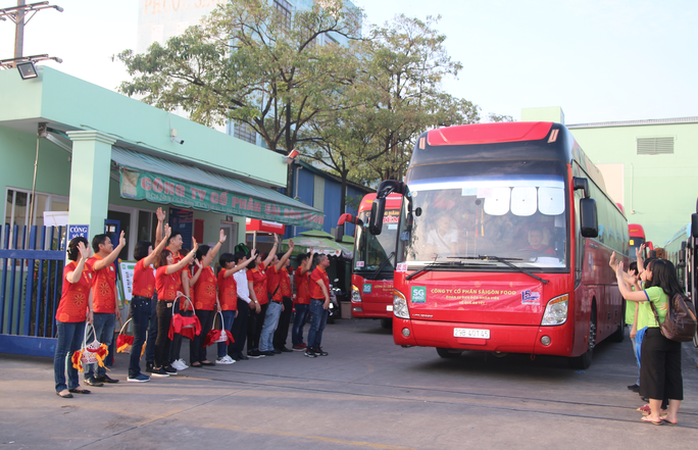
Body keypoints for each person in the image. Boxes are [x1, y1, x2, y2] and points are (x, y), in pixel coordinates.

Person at [613, 256, 684, 425]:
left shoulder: (656, 291)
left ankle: (655, 414)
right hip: (674, 337)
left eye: (650, 269)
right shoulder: (676, 291)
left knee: (654, 375)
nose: (647, 271)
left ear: (657, 273)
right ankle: (672, 415)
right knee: (674, 375)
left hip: (655, 336)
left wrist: (618, 276)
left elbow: (627, 294)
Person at [128, 224, 170, 383]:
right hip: (139, 303)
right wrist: (165, 237)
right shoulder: (141, 264)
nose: (153, 251)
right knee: (139, 339)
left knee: (142, 338)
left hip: (146, 303)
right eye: (150, 249)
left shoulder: (149, 267)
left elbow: (156, 248)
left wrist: (160, 229)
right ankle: (133, 371)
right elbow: (157, 251)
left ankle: (136, 370)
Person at [83, 231, 126, 387]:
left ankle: (100, 372)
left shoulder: (112, 266)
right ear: (100, 246)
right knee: (92, 343)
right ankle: (88, 374)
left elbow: (113, 286)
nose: (111, 245)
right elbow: (103, 263)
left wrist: (116, 306)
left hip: (109, 309)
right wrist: (120, 246)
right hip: (97, 308)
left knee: (105, 342)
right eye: (109, 243)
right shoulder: (92, 261)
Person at [54, 237, 93, 398]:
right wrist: (82, 260)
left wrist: (90, 310)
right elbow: (74, 279)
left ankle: (74, 383)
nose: (90, 250)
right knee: (62, 351)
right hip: (66, 315)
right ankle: (60, 385)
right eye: (88, 247)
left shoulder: (87, 268)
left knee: (75, 351)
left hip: (80, 316)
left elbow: (89, 289)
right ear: (80, 249)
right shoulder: (69, 267)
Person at [153, 238, 198, 377]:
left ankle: (166, 363)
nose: (172, 258)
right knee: (161, 336)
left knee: (169, 335)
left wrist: (178, 294)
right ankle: (157, 364)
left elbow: (172, 287)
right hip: (163, 306)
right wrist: (194, 250)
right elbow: (182, 264)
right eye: (169, 256)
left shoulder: (172, 274)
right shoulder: (162, 270)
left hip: (172, 305)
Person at [189, 230, 227, 368]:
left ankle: (202, 356)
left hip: (210, 305)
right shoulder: (200, 266)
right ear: (203, 256)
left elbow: (213, 286)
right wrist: (220, 242)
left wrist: (217, 302)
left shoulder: (210, 269)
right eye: (209, 253)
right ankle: (194, 358)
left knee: (205, 332)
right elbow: (212, 253)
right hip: (200, 305)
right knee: (198, 332)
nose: (212, 255)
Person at [216, 248, 257, 364]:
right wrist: (251, 259)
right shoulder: (224, 273)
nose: (233, 263)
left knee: (232, 331)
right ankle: (223, 354)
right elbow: (238, 270)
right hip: (226, 306)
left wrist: (236, 308)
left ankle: (231, 352)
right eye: (231, 261)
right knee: (226, 331)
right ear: (226, 263)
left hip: (233, 305)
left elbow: (234, 292)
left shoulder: (232, 275)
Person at [258, 239, 294, 356]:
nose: (279, 261)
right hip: (273, 302)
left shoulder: (276, 272)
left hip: (277, 302)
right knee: (269, 326)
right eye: (277, 260)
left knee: (273, 327)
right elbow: (282, 259)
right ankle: (264, 347)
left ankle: (269, 346)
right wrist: (290, 249)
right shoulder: (270, 271)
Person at [246, 237, 278, 357]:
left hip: (264, 301)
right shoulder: (249, 272)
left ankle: (256, 347)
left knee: (259, 325)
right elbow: (250, 288)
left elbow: (270, 257)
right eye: (259, 257)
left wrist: (275, 243)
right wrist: (256, 302)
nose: (261, 258)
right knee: (252, 326)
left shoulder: (261, 268)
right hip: (255, 302)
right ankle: (250, 349)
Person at [227, 250, 260, 361]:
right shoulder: (235, 272)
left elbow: (245, 289)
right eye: (245, 259)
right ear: (240, 260)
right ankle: (232, 350)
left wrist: (249, 300)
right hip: (239, 301)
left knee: (243, 328)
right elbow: (238, 290)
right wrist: (248, 300)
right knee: (236, 328)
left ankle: (239, 350)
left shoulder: (243, 272)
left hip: (245, 301)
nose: (246, 261)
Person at [145, 208, 167, 373]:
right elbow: (159, 239)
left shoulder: (169, 265)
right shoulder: (155, 262)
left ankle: (160, 360)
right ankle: (150, 361)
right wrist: (160, 222)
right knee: (154, 330)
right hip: (154, 296)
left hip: (164, 298)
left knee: (161, 331)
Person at [306, 253, 331, 357]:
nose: (328, 260)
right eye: (327, 259)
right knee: (315, 325)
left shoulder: (324, 272)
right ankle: (310, 348)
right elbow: (322, 286)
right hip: (317, 301)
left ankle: (316, 346)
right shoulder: (316, 272)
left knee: (321, 326)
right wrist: (327, 299)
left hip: (322, 301)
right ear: (321, 261)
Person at [291, 252, 313, 350]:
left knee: (302, 324)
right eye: (307, 260)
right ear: (304, 261)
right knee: (298, 323)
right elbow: (307, 268)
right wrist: (312, 255)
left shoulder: (305, 273)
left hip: (306, 301)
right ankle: (295, 343)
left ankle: (300, 341)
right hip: (300, 301)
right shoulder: (299, 271)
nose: (309, 262)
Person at [273, 256, 294, 352]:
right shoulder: (279, 271)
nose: (289, 260)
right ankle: (276, 343)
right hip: (281, 299)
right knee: (280, 322)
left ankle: (282, 343)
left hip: (288, 298)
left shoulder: (286, 271)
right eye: (287, 258)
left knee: (285, 323)